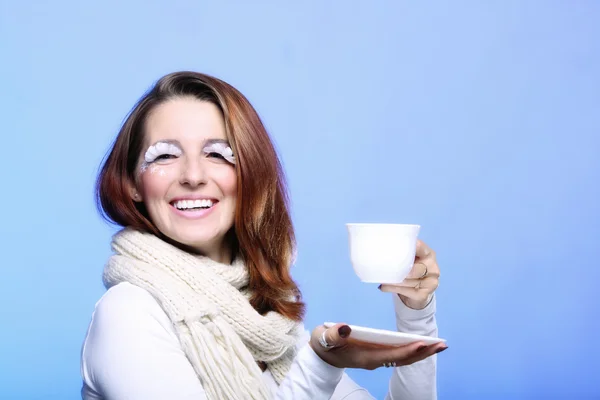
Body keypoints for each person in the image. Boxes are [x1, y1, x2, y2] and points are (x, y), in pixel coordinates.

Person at [80, 71, 447, 400]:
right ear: (132, 184)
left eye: (218, 154)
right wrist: (320, 365)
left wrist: (415, 314)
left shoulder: (269, 321)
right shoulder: (129, 313)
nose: (193, 175)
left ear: (251, 175)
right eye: (164, 156)